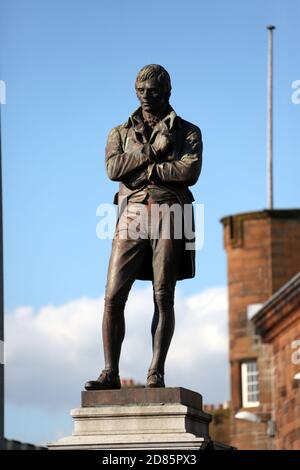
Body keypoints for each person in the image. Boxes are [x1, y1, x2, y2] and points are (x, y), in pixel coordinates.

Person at [85, 64, 203, 390]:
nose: (145, 96)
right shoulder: (119, 132)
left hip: (171, 213)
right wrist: (153, 152)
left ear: (166, 92)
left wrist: (146, 172)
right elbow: (113, 169)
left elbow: (188, 172)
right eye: (140, 90)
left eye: (152, 91)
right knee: (112, 296)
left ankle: (156, 371)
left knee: (163, 295)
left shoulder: (188, 131)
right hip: (131, 214)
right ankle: (110, 371)